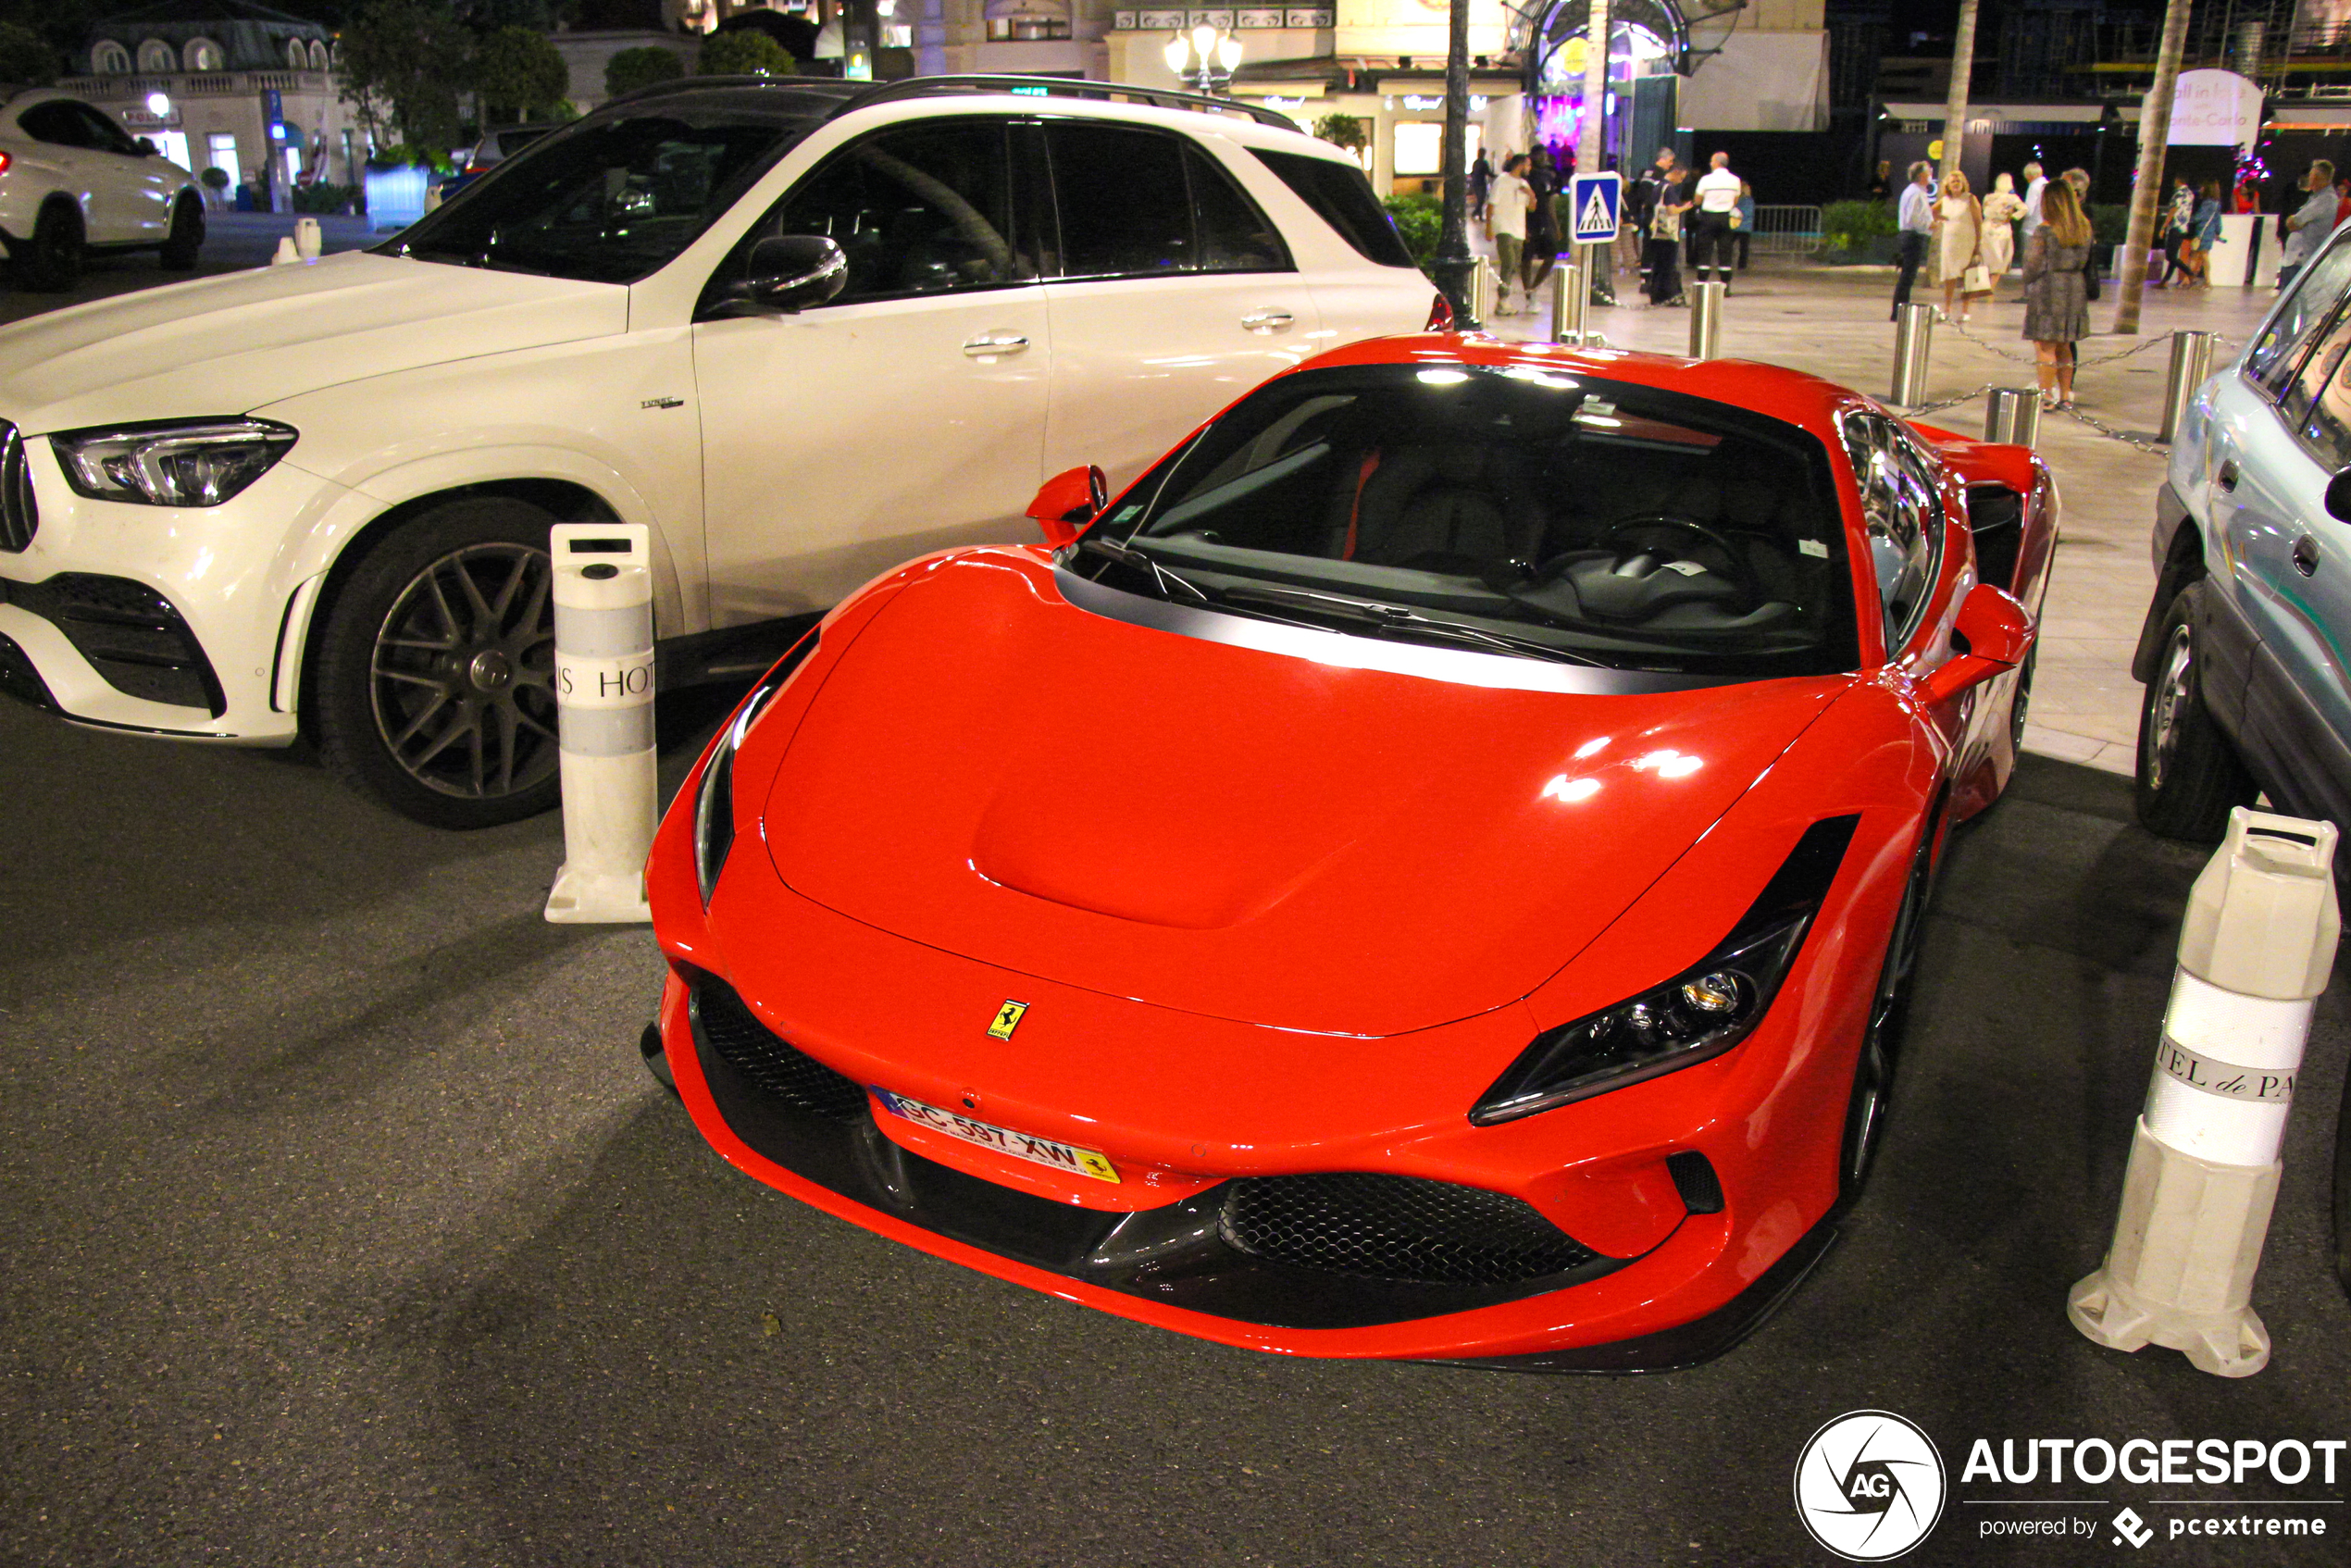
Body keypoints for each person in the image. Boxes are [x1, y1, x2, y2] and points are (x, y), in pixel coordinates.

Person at [2023, 178, 2093, 411]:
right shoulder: (2084, 227)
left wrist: (2028, 281)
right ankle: (2065, 395)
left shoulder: (2045, 230)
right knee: (2064, 346)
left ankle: (2046, 396)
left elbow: (2033, 264)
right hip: (2075, 287)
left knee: (2045, 347)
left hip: (2049, 288)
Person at [2280, 159, 2338, 292]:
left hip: (2301, 259)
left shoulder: (2325, 199)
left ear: (2316, 177)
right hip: (2295, 259)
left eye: (2311, 175)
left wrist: (2294, 220)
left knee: (2291, 304)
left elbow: (2294, 222)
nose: (2309, 178)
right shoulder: (2316, 198)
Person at [1934, 170, 1985, 322]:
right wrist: (1940, 219)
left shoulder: (1970, 199)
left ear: (1963, 184)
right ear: (1948, 186)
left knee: (1967, 275)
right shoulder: (1945, 200)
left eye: (1958, 181)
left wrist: (1978, 244)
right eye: (1953, 182)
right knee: (1950, 275)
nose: (1956, 184)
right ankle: (1947, 309)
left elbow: (1978, 222)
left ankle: (1965, 310)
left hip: (1967, 241)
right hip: (1950, 242)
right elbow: (1932, 211)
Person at [1487, 153, 1532, 312]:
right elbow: (1491, 205)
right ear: (1520, 165)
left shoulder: (1524, 184)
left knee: (1514, 265)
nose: (1529, 168)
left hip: (1518, 230)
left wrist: (1531, 195)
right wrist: (1489, 227)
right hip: (1503, 228)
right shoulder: (1502, 181)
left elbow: (1531, 207)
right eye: (1528, 165)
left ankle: (1504, 299)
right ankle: (1502, 299)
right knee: (1508, 263)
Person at [1689, 150, 1740, 289]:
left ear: (1717, 163)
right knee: (1726, 250)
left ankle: (1702, 282)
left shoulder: (1706, 179)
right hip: (1726, 218)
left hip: (1708, 217)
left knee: (1705, 249)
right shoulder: (1735, 180)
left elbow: (1698, 199)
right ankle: (1725, 284)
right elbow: (1735, 200)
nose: (1710, 163)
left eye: (1712, 161)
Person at [1645, 155, 1689, 305]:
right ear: (1676, 172)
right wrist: (1684, 207)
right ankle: (1665, 294)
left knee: (1658, 264)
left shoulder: (1658, 186)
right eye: (1681, 177)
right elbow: (1671, 210)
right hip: (1668, 233)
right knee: (1667, 264)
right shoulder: (1669, 189)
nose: (1681, 181)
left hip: (1656, 232)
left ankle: (1655, 293)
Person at [1893, 160, 1934, 319]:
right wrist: (1930, 225)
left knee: (1908, 275)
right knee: (1908, 275)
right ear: (1921, 175)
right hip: (1913, 236)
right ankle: (1899, 312)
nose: (1931, 174)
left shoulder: (1916, 191)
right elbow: (1914, 218)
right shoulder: (1916, 192)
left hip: (1911, 235)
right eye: (1928, 172)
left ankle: (1900, 310)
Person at [1524, 147, 1562, 293]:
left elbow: (1550, 201)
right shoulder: (1527, 176)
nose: (1544, 158)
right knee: (1526, 257)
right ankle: (1527, 289)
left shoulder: (1548, 175)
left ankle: (1533, 288)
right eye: (1541, 155)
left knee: (1551, 255)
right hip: (1529, 219)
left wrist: (1556, 225)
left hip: (1544, 218)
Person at [1981, 171, 2023, 287]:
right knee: (2000, 261)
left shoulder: (1988, 197)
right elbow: (2024, 209)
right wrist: (2012, 216)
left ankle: (1981, 288)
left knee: (1986, 260)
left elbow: (1985, 212)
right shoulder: (2013, 198)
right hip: (2002, 229)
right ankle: (1991, 288)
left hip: (1987, 228)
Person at [2157, 179, 2195, 287]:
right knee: (2173, 256)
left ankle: (2190, 273)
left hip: (2175, 226)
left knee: (2170, 256)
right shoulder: (2190, 193)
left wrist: (2163, 227)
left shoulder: (2179, 193)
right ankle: (2164, 281)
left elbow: (2173, 210)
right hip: (2183, 227)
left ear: (2178, 180)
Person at [2185, 179, 2222, 287]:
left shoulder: (2207, 203)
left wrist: (2188, 219)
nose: (2200, 189)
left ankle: (2198, 280)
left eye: (2202, 187)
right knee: (2202, 255)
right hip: (2209, 232)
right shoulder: (2216, 203)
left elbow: (2200, 217)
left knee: (2197, 255)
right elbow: (2217, 219)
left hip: (2202, 232)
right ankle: (2203, 280)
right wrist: (2218, 231)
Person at [2020, 161, 2048, 245]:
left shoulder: (2034, 187)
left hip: (2031, 229)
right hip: (2045, 228)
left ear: (2030, 175)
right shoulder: (2048, 184)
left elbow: (2028, 210)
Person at [1733, 178, 1755, 271]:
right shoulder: (1749, 201)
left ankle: (1728, 263)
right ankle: (1742, 265)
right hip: (1745, 227)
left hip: (1736, 226)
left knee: (1730, 245)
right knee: (1744, 248)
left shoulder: (1737, 200)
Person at [1469, 150, 1492, 224]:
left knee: (1480, 200)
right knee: (1481, 200)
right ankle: (1476, 213)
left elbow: (1473, 172)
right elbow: (1488, 172)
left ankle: (1479, 215)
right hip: (1481, 183)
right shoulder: (1484, 163)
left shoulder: (1475, 163)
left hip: (1476, 183)